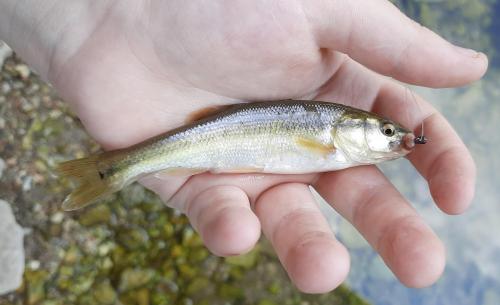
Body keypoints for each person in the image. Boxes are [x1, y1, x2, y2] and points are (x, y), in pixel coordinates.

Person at [0, 0, 487, 293]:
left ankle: (110, 171)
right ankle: (115, 169)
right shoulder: (330, 135)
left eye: (387, 133)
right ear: (353, 126)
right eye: (383, 132)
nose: (392, 139)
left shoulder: (336, 136)